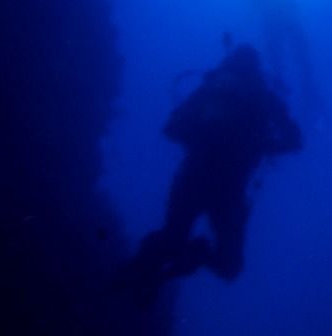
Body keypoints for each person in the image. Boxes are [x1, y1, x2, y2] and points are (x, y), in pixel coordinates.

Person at [118, 44, 301, 305]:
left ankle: (135, 276)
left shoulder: (212, 89)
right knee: (229, 267)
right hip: (230, 188)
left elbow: (171, 129)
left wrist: (202, 139)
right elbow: (295, 141)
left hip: (193, 177)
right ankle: (194, 258)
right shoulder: (264, 96)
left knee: (171, 238)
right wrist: (259, 145)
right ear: (257, 69)